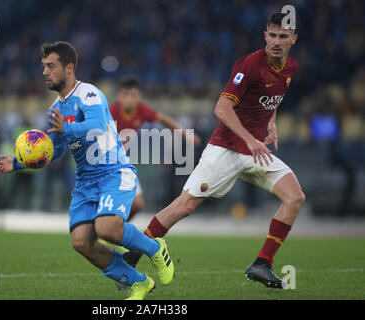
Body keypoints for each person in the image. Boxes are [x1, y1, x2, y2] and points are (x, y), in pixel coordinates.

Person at [124, 13, 305, 289]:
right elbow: (221, 108)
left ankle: (262, 263)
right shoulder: (250, 64)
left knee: (295, 197)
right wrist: (250, 138)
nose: (276, 42)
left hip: (255, 151)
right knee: (185, 206)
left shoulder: (290, 67)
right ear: (265, 36)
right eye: (272, 35)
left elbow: (272, 98)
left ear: (293, 39)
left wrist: (272, 123)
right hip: (227, 148)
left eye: (283, 36)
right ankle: (135, 252)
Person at [0, 41, 174, 300]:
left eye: (50, 66)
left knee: (107, 228)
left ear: (68, 68)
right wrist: (19, 163)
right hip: (86, 182)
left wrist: (66, 129)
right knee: (81, 242)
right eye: (43, 67)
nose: (45, 72)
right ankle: (139, 282)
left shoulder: (88, 93)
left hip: (113, 172)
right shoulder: (55, 110)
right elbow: (54, 150)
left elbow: (98, 125)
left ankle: (155, 248)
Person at [110, 75, 202, 221]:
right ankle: (107, 229)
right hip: (103, 164)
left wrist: (185, 135)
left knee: (138, 205)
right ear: (119, 96)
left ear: (139, 96)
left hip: (121, 163)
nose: (129, 99)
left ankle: (115, 230)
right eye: (125, 95)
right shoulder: (110, 112)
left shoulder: (141, 110)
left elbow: (164, 119)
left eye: (133, 95)